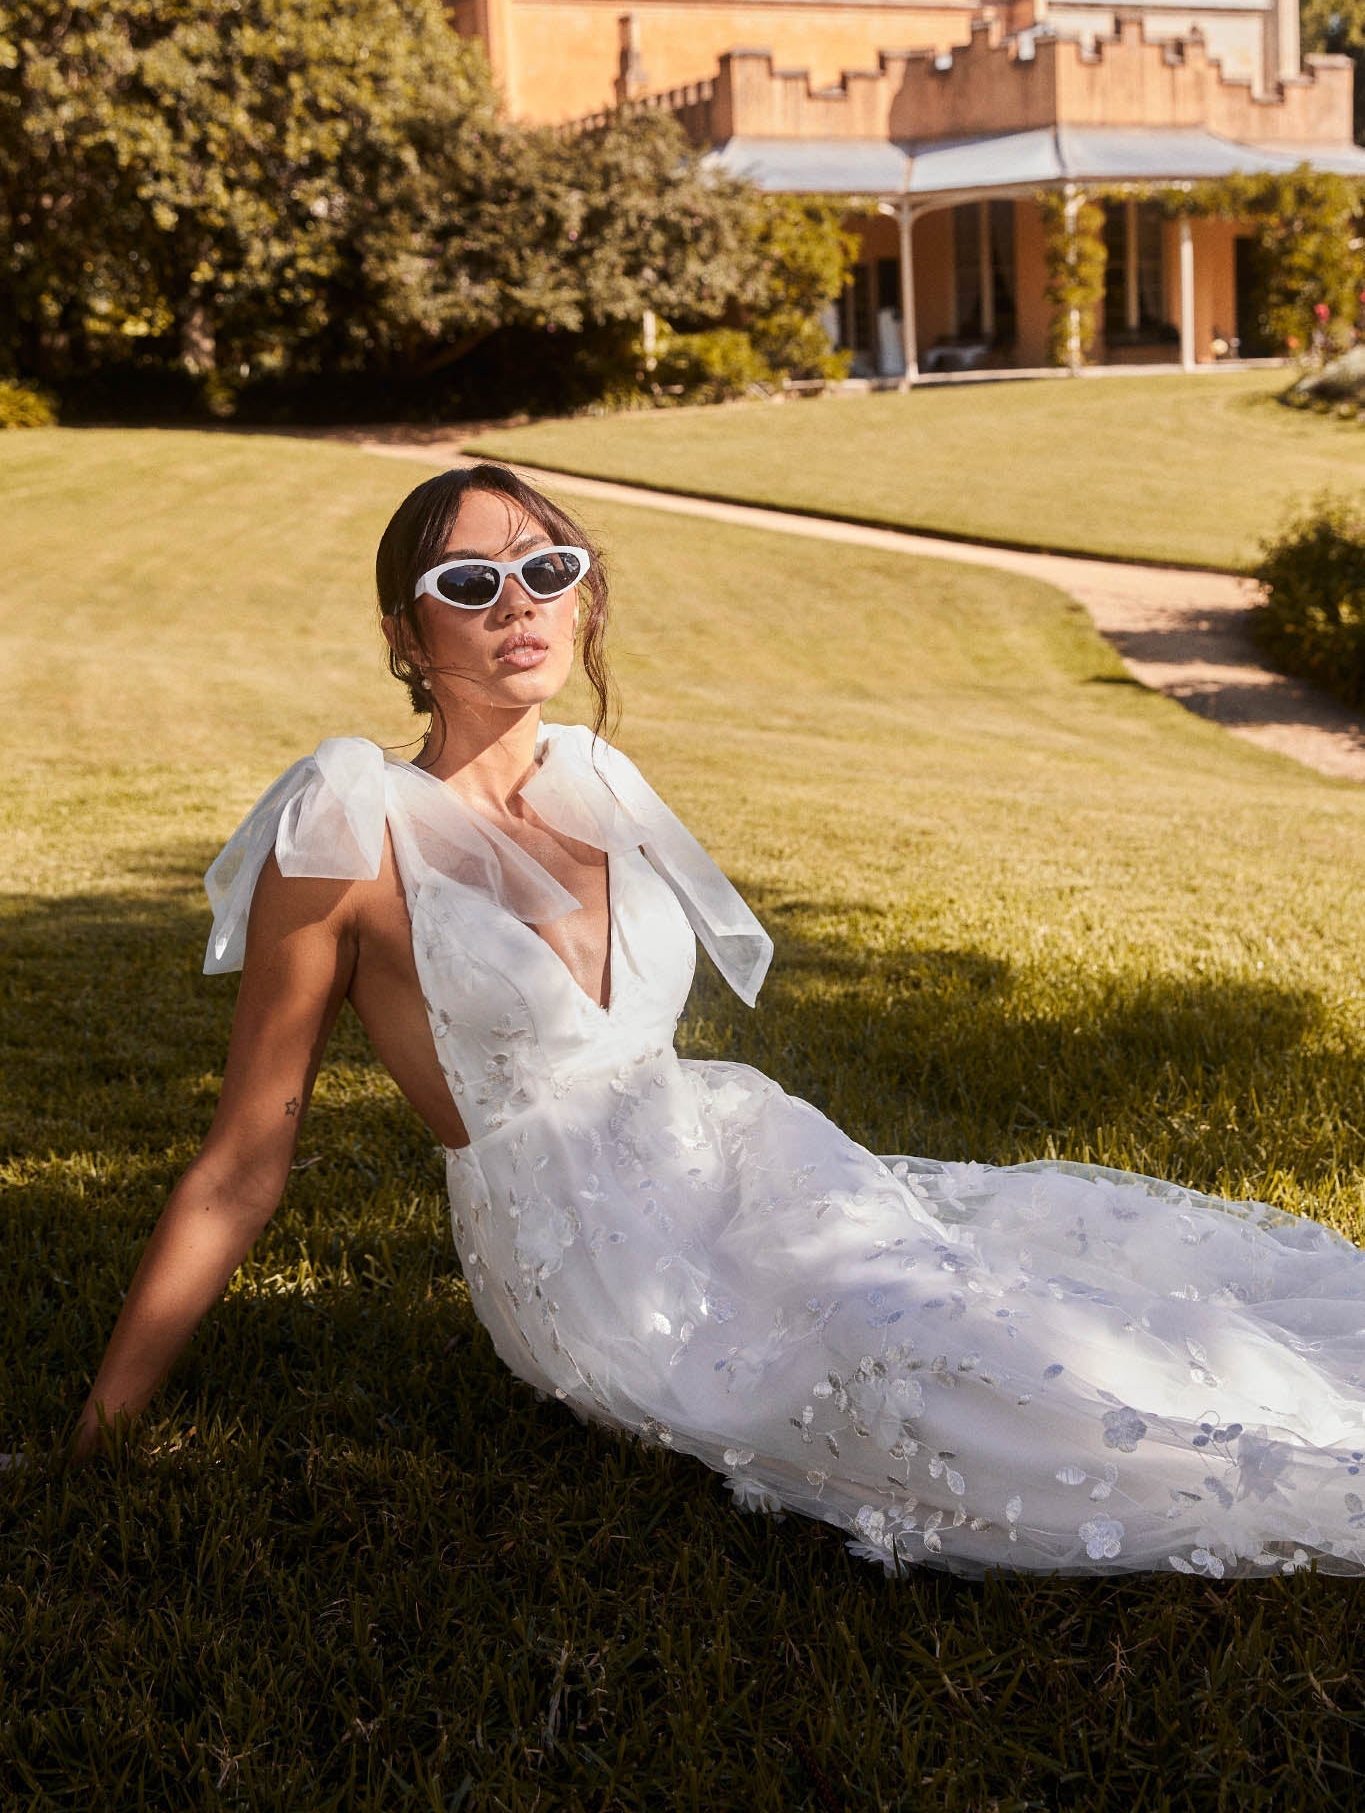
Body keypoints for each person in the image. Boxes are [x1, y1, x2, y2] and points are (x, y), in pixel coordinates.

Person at [73, 464, 1365, 1578]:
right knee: (979, 1393)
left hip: (742, 1158)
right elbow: (247, 1157)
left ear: (584, 596)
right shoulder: (346, 826)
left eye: (545, 567)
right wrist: (105, 1428)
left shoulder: (599, 779)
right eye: (465, 584)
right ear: (406, 638)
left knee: (1065, 1281)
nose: (514, 602)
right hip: (592, 1265)